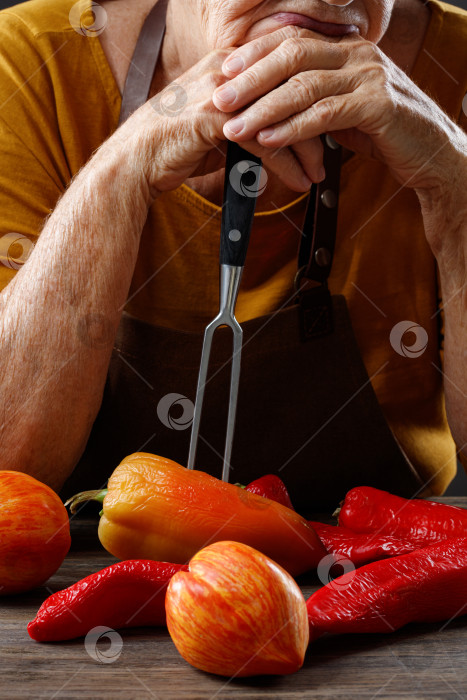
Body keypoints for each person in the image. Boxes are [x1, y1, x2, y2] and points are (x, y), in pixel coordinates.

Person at [0, 0, 466, 508]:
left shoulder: (456, 60)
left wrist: (454, 183)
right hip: (80, 572)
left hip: (380, 564)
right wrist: (124, 167)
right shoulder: (24, 62)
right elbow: (10, 467)